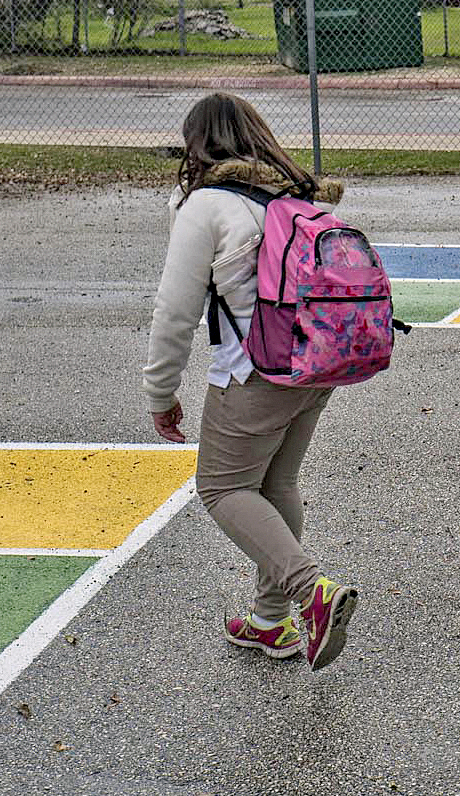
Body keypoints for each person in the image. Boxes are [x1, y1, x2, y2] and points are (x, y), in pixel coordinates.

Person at [143, 92, 359, 671]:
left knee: (222, 488)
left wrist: (160, 393)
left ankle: (310, 591)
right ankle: (269, 622)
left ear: (197, 144)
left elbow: (174, 313)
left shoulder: (207, 206)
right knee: (277, 482)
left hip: (253, 372)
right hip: (318, 364)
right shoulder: (300, 196)